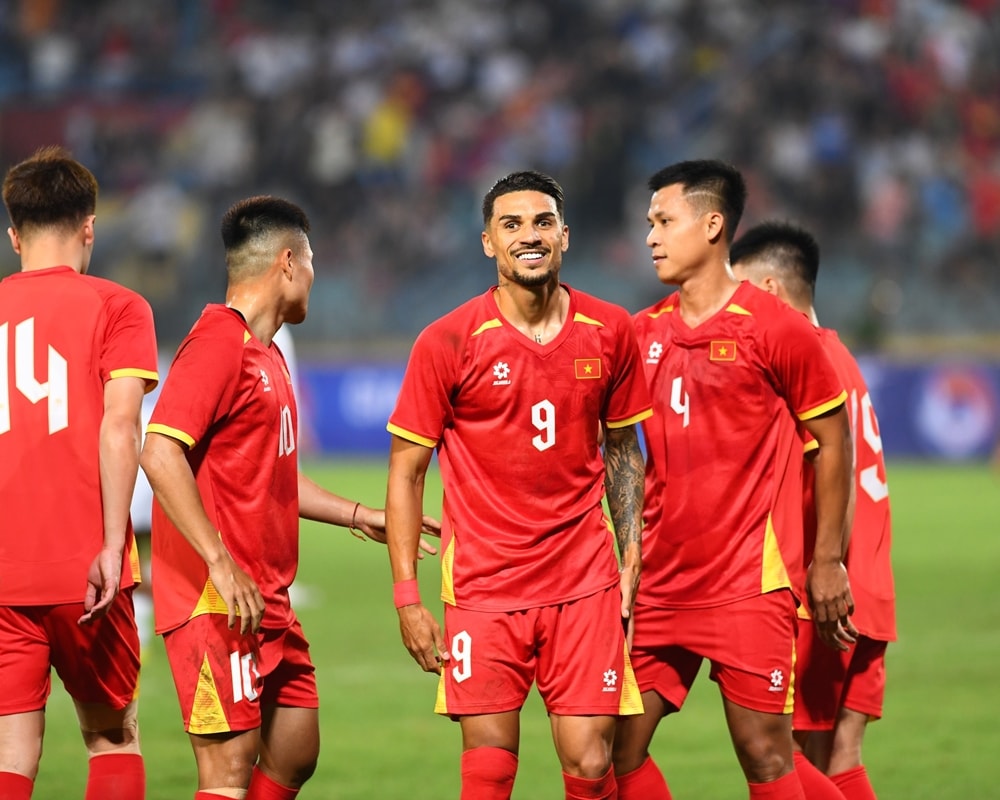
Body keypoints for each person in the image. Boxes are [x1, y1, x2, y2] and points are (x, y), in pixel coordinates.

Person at [139, 195, 438, 800]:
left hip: (264, 596)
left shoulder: (268, 356)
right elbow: (159, 452)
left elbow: (274, 477)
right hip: (215, 599)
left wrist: (360, 515)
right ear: (287, 263)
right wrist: (219, 563)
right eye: (313, 262)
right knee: (228, 769)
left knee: (295, 748)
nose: (315, 277)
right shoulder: (217, 344)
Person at [385, 170, 652, 800]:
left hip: (584, 580)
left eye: (541, 222)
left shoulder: (611, 329)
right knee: (489, 769)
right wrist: (407, 597)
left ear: (565, 235)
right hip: (483, 585)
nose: (528, 236)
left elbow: (623, 449)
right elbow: (407, 472)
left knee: (592, 761)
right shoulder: (447, 341)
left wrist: (631, 552)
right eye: (511, 225)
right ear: (488, 242)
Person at [616, 160, 855, 800]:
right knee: (611, 750)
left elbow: (834, 441)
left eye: (664, 221)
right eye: (649, 224)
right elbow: (612, 449)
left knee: (765, 756)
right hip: (659, 583)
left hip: (748, 584)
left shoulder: (776, 328)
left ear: (712, 225)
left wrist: (826, 560)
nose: (651, 237)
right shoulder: (641, 333)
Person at [0, 145, 157, 800]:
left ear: (14, 236)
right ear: (89, 227)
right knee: (112, 737)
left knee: (11, 749)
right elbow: (120, 426)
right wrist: (115, 546)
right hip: (87, 566)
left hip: (4, 570)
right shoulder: (120, 307)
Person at [731, 221, 895, 800]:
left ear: (769, 290)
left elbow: (828, 471)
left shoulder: (801, 361)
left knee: (778, 753)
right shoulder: (840, 354)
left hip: (822, 590)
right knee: (839, 754)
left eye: (739, 291)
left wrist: (825, 570)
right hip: (870, 585)